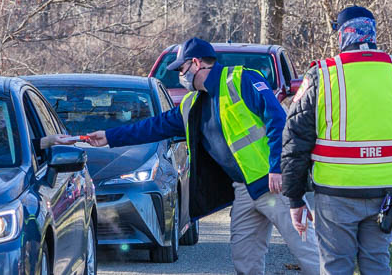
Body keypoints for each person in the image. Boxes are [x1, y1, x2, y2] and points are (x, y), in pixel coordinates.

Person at [84, 37, 320, 275]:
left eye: (181, 69)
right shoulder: (192, 104)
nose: (180, 76)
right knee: (244, 260)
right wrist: (109, 137)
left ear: (195, 63)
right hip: (244, 190)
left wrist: (277, 168)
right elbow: (154, 126)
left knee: (309, 253)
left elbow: (278, 121)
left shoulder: (242, 79)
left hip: (274, 186)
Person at [281, 6, 392, 274]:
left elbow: (296, 140)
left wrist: (295, 198)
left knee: (336, 265)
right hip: (386, 189)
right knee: (377, 262)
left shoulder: (323, 74)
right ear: (373, 33)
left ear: (342, 35)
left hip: (336, 189)